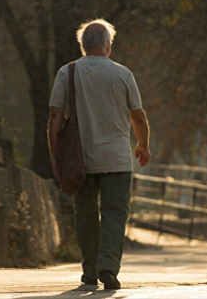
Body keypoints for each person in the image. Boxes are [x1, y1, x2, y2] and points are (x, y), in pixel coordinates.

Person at [47, 19, 151, 289]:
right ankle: (108, 268)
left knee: (85, 214)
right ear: (108, 45)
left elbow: (55, 115)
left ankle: (90, 270)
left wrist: (55, 151)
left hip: (80, 158)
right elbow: (137, 116)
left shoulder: (66, 73)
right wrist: (143, 144)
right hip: (117, 159)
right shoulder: (122, 74)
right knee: (115, 213)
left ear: (83, 46)